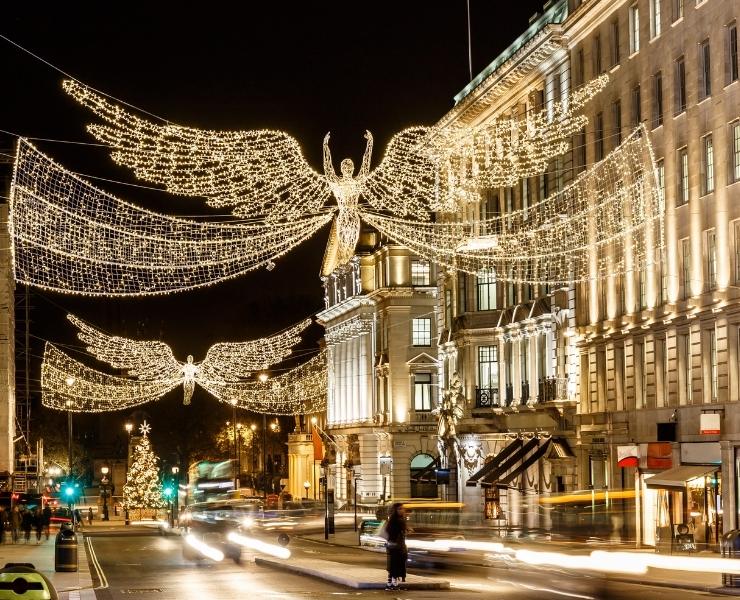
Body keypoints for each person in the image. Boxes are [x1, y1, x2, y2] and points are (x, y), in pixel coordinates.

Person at [384, 502, 408, 591]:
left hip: (392, 546)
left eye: (402, 508)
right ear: (395, 510)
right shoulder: (397, 521)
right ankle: (394, 584)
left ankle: (390, 583)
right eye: (400, 509)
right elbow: (396, 533)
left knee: (393, 565)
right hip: (396, 546)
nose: (402, 510)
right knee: (396, 565)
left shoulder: (394, 520)